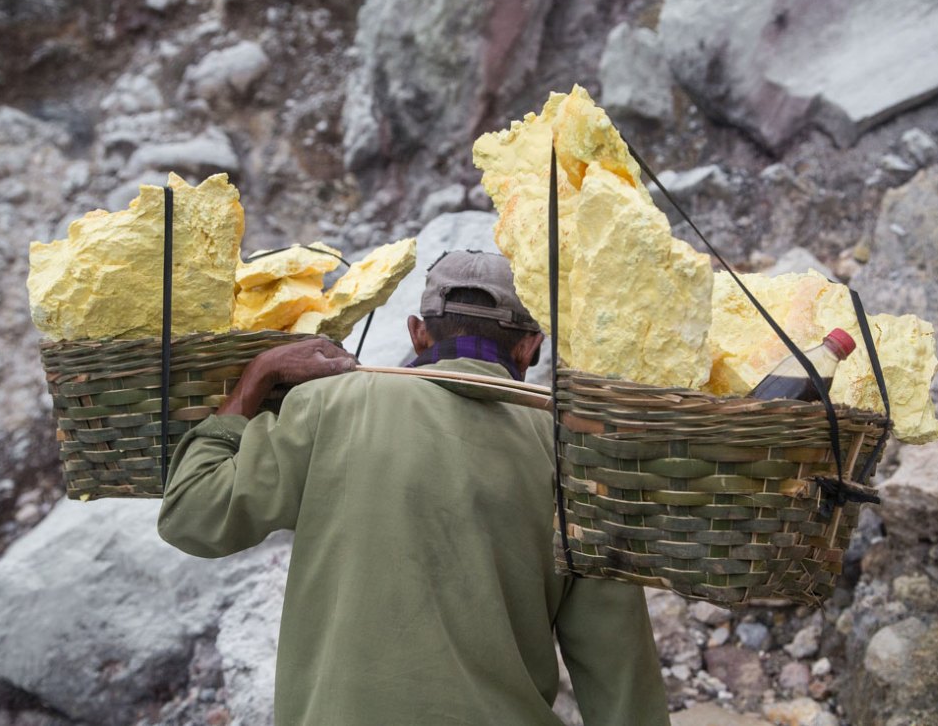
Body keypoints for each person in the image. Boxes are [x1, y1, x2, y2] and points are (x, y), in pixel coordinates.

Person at [158, 250, 670, 726]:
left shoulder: (328, 407)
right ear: (530, 346)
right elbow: (619, 673)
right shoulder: (574, 454)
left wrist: (259, 374)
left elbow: (193, 514)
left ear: (419, 334)